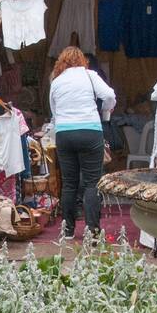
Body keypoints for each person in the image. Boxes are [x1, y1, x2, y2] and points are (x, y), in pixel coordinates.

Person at [49, 46, 115, 240]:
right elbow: (109, 96)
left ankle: (68, 230)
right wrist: (106, 112)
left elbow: (54, 109)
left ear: (61, 63)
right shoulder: (90, 75)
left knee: (69, 183)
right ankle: (92, 232)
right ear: (82, 61)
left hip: (64, 133)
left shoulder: (56, 81)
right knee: (92, 182)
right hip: (90, 131)